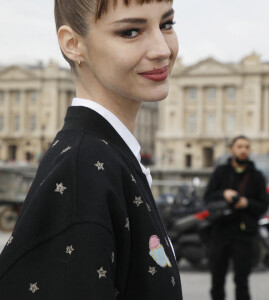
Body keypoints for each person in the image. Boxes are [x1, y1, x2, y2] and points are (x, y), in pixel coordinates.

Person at [0, 0, 182, 299]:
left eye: (166, 25)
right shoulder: (84, 170)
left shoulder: (104, 157)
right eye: (131, 32)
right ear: (73, 45)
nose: (162, 49)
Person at [204, 135, 268, 300]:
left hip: (244, 234)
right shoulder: (220, 172)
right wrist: (223, 194)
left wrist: (247, 203)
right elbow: (207, 197)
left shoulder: (257, 176)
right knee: (217, 279)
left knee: (242, 280)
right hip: (220, 231)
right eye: (240, 147)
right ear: (232, 149)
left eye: (246, 147)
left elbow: (263, 205)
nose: (243, 150)